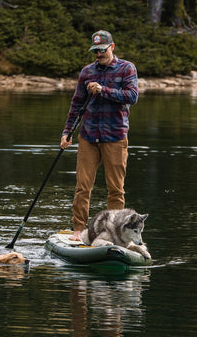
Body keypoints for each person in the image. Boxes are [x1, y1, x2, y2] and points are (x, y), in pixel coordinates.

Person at [60, 30, 139, 241]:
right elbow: (76, 104)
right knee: (82, 186)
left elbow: (132, 96)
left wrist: (103, 90)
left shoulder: (126, 68)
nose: (99, 54)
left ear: (112, 47)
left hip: (115, 137)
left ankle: (113, 233)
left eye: (102, 50)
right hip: (88, 136)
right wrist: (67, 132)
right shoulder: (86, 72)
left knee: (116, 189)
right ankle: (78, 230)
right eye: (95, 50)